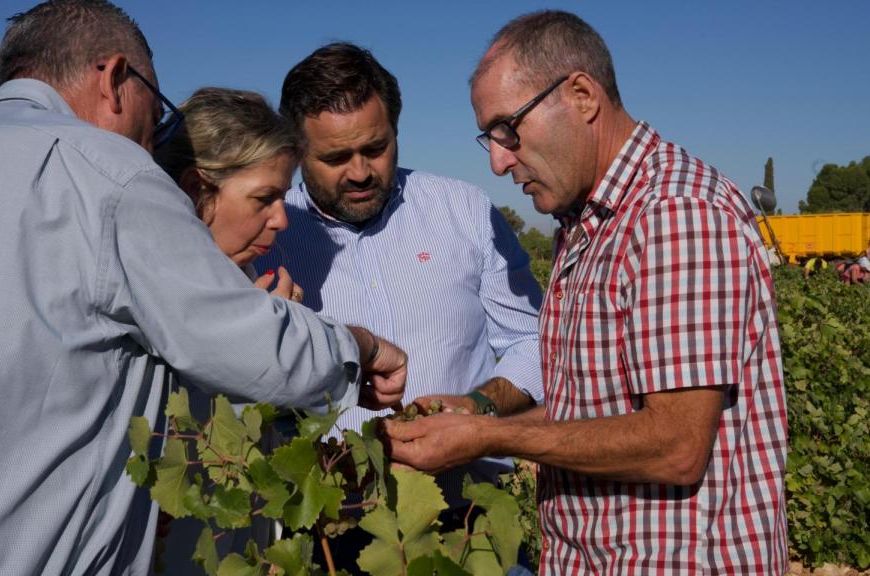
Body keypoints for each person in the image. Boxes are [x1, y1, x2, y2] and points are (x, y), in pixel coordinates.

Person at [0, 2, 406, 575]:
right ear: (116, 79)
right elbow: (251, 348)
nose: (155, 135)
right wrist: (358, 346)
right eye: (156, 104)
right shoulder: (107, 173)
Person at [385, 10, 788, 575]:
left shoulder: (674, 215)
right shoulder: (591, 224)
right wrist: (476, 420)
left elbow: (675, 445)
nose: (499, 160)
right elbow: (592, 413)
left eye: (508, 128)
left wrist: (487, 436)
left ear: (580, 95)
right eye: (490, 138)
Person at [256, 42, 544, 566]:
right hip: (329, 534)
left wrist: (478, 409)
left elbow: (535, 340)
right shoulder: (268, 237)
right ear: (295, 151)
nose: (362, 171)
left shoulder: (464, 210)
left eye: (377, 147)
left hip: (471, 528)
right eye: (336, 157)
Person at [151, 87, 308, 573]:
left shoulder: (242, 279)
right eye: (265, 199)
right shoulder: (148, 294)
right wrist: (267, 345)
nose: (282, 219)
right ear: (198, 189)